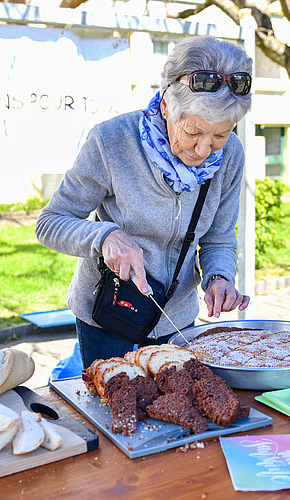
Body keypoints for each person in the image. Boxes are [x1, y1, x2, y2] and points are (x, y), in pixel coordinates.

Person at [35, 36, 252, 369]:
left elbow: (218, 237)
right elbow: (50, 223)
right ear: (166, 105)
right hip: (107, 312)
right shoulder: (110, 141)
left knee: (175, 409)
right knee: (114, 410)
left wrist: (219, 278)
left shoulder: (232, 154)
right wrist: (103, 236)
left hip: (175, 317)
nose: (204, 149)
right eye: (193, 131)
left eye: (219, 135)